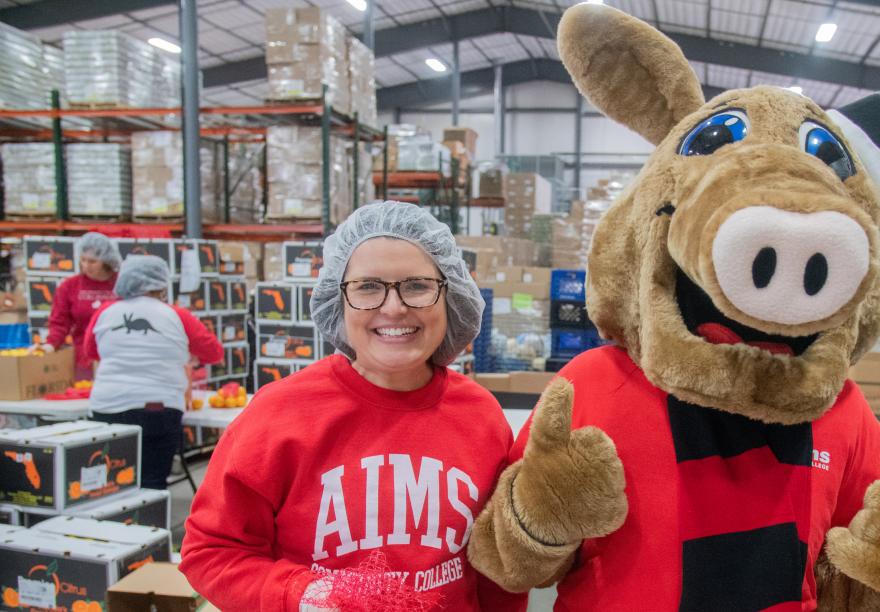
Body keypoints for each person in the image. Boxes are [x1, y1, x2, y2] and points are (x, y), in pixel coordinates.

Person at [180, 201, 525, 612]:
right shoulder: (280, 413)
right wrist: (302, 596)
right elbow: (211, 551)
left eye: (416, 285)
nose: (394, 307)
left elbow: (498, 568)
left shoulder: (480, 416)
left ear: (450, 295)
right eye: (367, 287)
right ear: (337, 300)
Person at [84, 255, 223, 489]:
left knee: (110, 483)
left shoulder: (106, 312)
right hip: (157, 409)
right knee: (151, 484)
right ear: (161, 284)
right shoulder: (177, 315)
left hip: (106, 407)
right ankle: (149, 523)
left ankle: (110, 524)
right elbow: (214, 353)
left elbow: (91, 351)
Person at [40, 232, 121, 379]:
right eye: (83, 260)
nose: (86, 266)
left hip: (119, 357)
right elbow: (59, 321)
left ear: (106, 261)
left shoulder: (123, 284)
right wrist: (51, 344)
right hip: (83, 359)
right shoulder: (69, 286)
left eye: (92, 261)